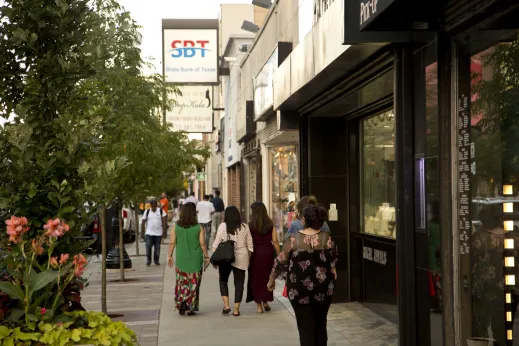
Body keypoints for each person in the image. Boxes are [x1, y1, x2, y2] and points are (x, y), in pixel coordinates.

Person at [268, 204, 338, 346]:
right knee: (320, 324)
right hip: (323, 289)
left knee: (305, 327)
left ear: (304, 220)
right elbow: (334, 257)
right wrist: (332, 268)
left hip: (299, 290)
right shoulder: (326, 238)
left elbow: (280, 261)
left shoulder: (294, 240)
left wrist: (271, 279)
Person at [167, 203, 210, 316]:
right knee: (194, 283)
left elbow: (172, 242)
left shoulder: (176, 226)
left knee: (182, 283)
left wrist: (170, 255)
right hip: (195, 260)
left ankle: (182, 303)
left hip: (181, 259)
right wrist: (206, 256)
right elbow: (202, 243)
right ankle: (190, 307)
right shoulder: (199, 227)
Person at [213, 206, 253, 317]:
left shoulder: (223, 226)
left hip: (225, 257)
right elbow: (250, 246)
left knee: (223, 280)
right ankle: (236, 309)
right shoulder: (245, 227)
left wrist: (215, 260)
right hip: (241, 257)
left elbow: (216, 244)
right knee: (239, 283)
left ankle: (226, 305)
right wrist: (248, 259)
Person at [246, 202, 281, 313]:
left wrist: (247, 258)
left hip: (256, 253)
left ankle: (259, 306)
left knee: (256, 278)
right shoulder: (270, 223)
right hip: (268, 252)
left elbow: (249, 243)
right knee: (267, 277)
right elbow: (275, 241)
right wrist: (280, 255)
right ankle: (266, 301)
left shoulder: (250, 225)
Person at [141, 200, 167, 266]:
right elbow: (143, 222)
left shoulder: (161, 211)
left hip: (158, 234)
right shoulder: (147, 211)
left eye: (154, 206)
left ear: (156, 205)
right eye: (152, 206)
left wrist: (164, 232)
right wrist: (142, 232)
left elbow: (164, 221)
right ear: (150, 206)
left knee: (157, 248)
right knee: (148, 247)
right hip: (149, 233)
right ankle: (148, 260)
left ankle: (156, 260)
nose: (153, 208)